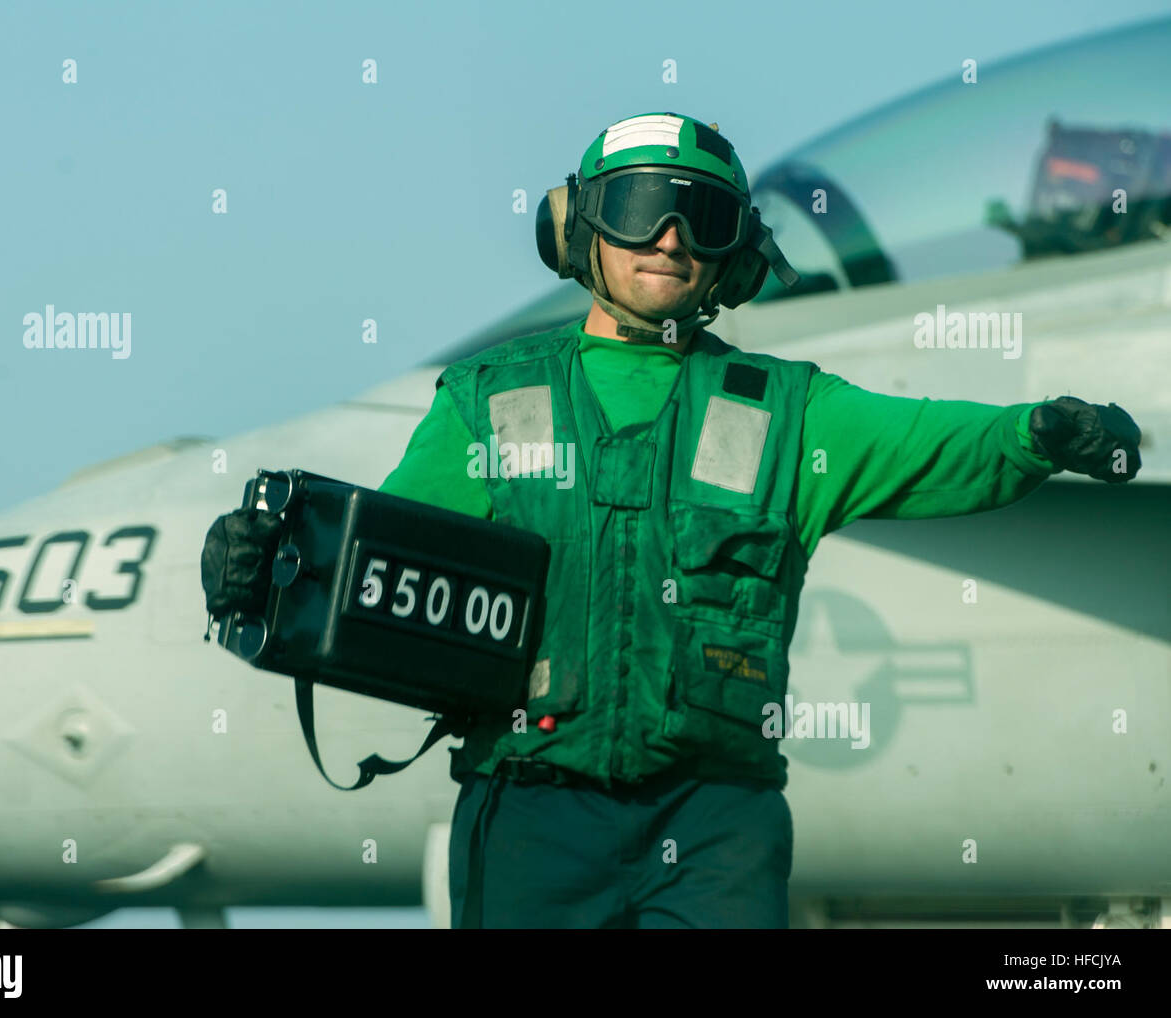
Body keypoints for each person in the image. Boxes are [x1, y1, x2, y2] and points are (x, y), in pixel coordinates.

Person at [202, 112, 1142, 929]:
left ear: (733, 251)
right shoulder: (494, 400)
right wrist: (263, 567)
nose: (669, 235)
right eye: (638, 203)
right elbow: (389, 566)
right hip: (531, 808)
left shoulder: (789, 413)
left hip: (715, 824)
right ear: (580, 228)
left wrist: (1040, 432)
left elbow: (941, 443)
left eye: (704, 214)